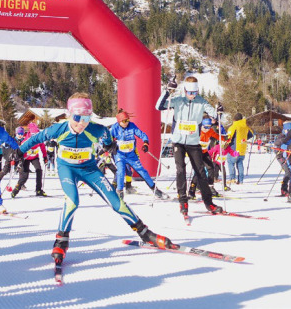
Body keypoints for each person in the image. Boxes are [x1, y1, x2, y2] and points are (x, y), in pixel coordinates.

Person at [18, 93, 175, 268]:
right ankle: (61, 242)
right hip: (67, 169)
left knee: (117, 202)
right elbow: (36, 139)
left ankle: (145, 234)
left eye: (86, 118)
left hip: (90, 169)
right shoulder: (59, 129)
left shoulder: (96, 129)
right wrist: (18, 152)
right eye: (77, 117)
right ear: (70, 114)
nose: (82, 123)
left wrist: (109, 145)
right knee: (72, 201)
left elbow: (107, 136)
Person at [156, 75, 224, 216]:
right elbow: (159, 106)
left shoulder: (201, 102)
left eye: (195, 93)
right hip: (178, 142)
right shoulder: (178, 101)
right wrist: (167, 91)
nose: (192, 96)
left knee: (200, 172)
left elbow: (215, 115)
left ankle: (209, 203)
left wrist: (218, 113)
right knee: (181, 170)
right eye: (189, 93)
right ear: (185, 90)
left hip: (193, 143)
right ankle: (183, 202)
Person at [109, 109, 165, 199]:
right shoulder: (114, 128)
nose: (126, 122)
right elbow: (106, 138)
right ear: (119, 121)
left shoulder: (132, 126)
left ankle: (155, 189)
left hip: (131, 155)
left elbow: (142, 134)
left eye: (127, 120)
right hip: (120, 155)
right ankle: (119, 192)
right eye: (124, 121)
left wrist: (145, 143)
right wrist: (108, 145)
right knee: (121, 172)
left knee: (142, 171)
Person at [189, 118, 221, 198]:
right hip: (196, 153)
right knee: (198, 171)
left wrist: (224, 138)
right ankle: (192, 190)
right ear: (202, 126)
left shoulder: (210, 131)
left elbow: (217, 135)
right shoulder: (197, 132)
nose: (207, 129)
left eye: (209, 127)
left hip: (205, 152)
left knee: (210, 168)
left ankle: (210, 187)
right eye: (205, 127)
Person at [12, 126, 48, 197]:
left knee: (39, 170)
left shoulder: (39, 139)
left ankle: (38, 190)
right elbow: (20, 150)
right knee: (25, 176)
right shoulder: (25, 139)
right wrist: (18, 158)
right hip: (26, 158)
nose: (35, 136)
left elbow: (43, 147)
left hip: (34, 157)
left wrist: (45, 157)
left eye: (36, 134)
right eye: (33, 134)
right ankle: (16, 189)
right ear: (30, 133)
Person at [225, 112, 254, 185]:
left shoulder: (234, 126)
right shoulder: (245, 126)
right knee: (240, 163)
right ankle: (240, 180)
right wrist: (244, 138)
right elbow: (251, 135)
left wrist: (225, 144)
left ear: (234, 119)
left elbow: (229, 137)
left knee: (230, 162)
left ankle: (232, 179)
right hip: (242, 149)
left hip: (234, 149)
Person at [274, 121, 291, 196]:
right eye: (288, 130)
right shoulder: (281, 137)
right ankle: (284, 189)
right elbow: (276, 144)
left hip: (289, 156)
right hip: (281, 156)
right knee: (288, 172)